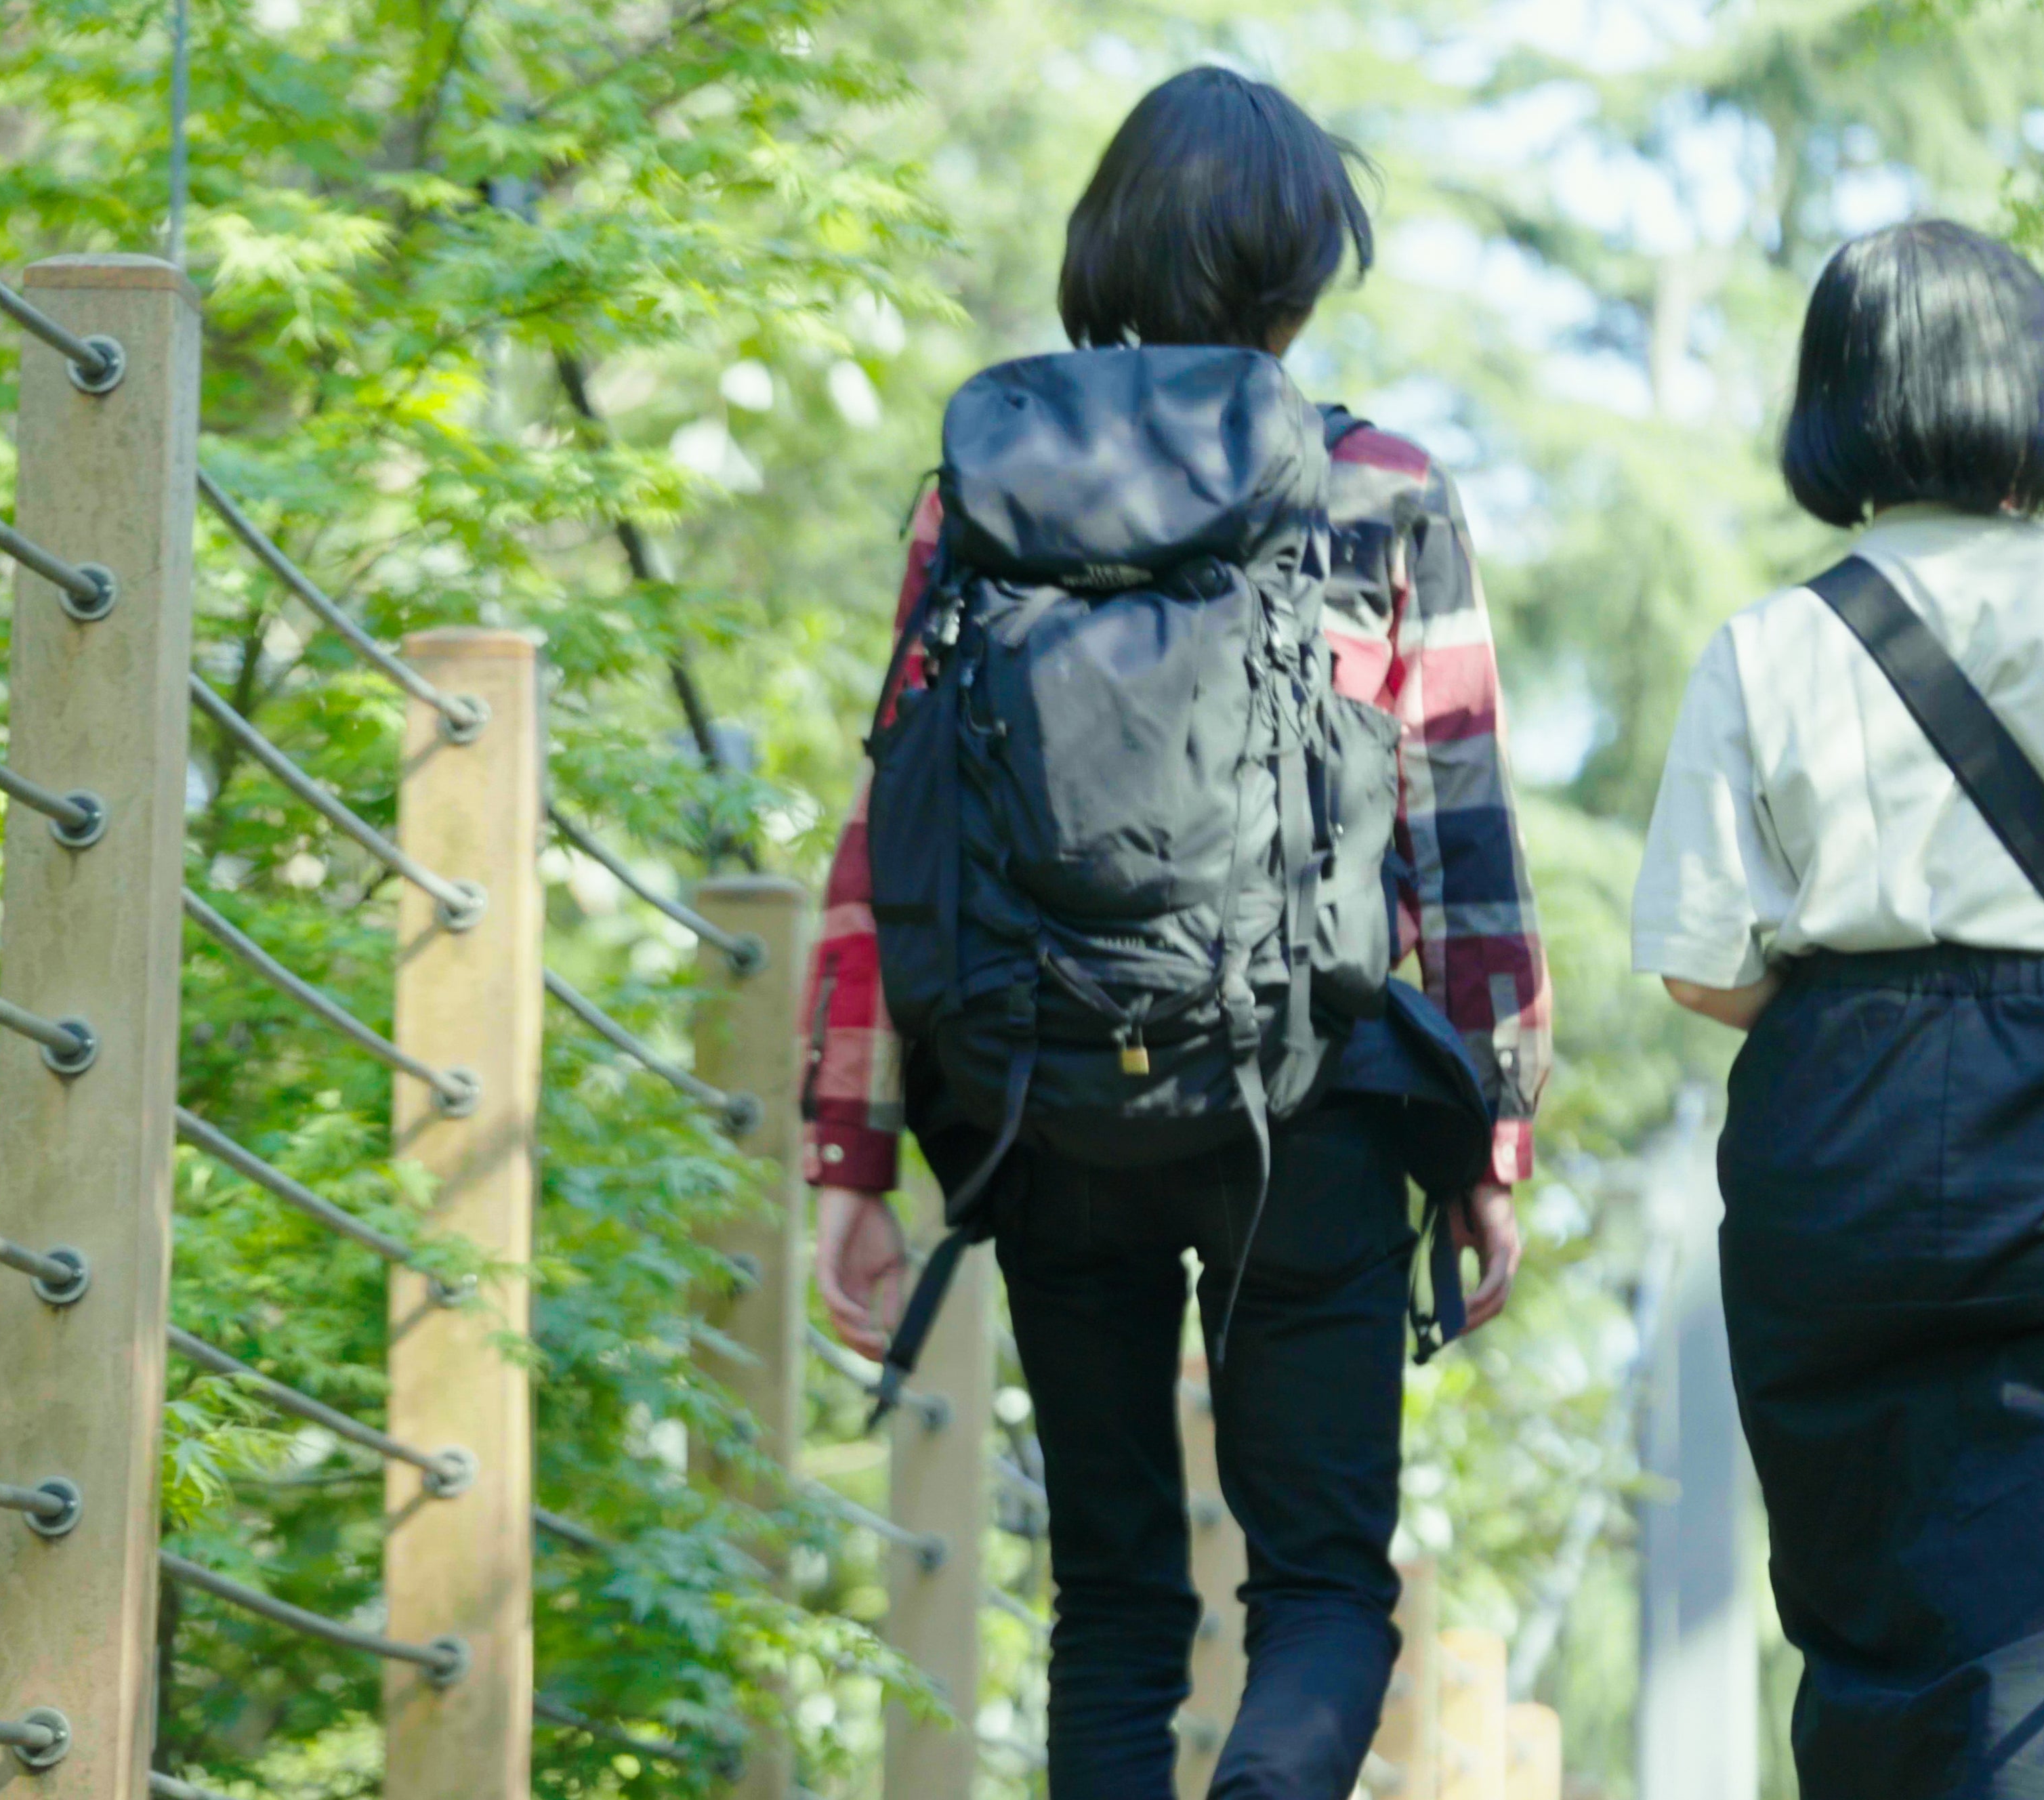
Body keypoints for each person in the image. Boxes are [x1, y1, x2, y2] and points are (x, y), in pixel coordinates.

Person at [802, 67, 1551, 1798]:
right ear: (1300, 268)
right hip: (1313, 1092)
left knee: (1114, 1602)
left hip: (1044, 1095)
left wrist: (852, 1148)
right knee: (1321, 1592)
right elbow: (1459, 827)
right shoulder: (1378, 485)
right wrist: (1491, 1139)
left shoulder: (981, 489)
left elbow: (894, 826)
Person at [1629, 219, 2044, 1795]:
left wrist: (1860, 1025)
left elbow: (1700, 966)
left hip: (1827, 1133)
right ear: (2040, 394)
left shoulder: (1770, 643)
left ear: (1834, 402)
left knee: (1857, 1635)